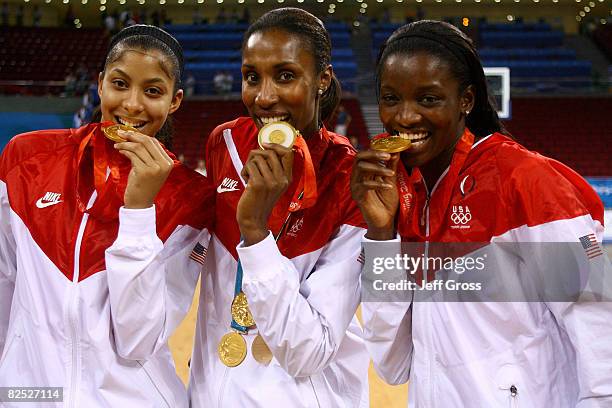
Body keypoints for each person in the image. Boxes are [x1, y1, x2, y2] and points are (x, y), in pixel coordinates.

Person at [106, 7, 370, 407]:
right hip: (215, 392)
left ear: (322, 80)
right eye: (252, 77)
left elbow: (308, 352)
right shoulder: (223, 143)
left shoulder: (351, 179)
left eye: (285, 75)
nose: (264, 97)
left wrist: (255, 231)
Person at [351, 20, 612, 407]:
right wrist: (381, 235)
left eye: (428, 99)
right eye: (391, 99)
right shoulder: (404, 195)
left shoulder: (525, 179)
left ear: (467, 100)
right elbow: (392, 363)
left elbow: (596, 315)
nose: (404, 117)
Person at [0, 25, 213, 407]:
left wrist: (138, 213)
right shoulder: (26, 159)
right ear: (100, 84)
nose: (132, 104)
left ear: (175, 100)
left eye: (152, 91)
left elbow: (138, 340)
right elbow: (4, 284)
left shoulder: (191, 198)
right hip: (32, 394)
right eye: (120, 84)